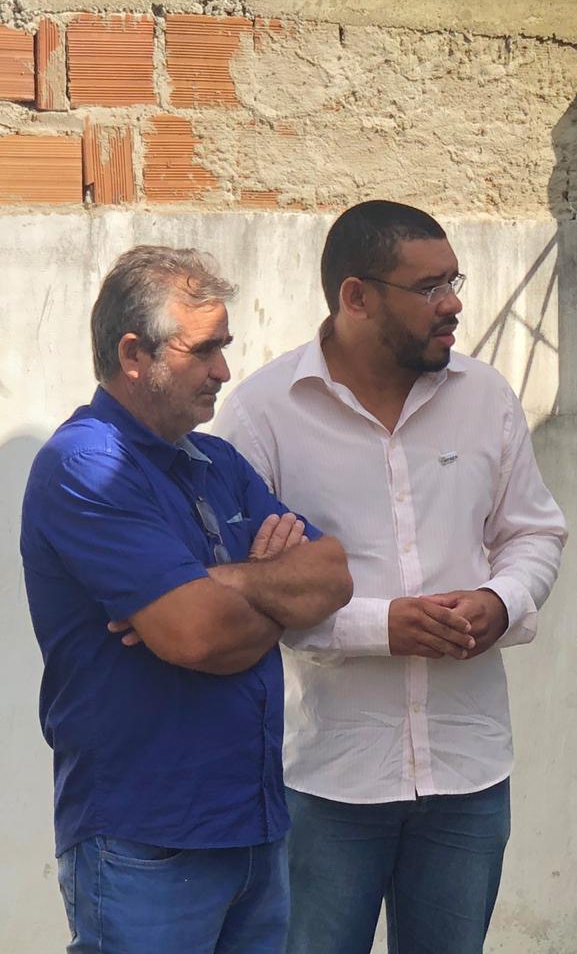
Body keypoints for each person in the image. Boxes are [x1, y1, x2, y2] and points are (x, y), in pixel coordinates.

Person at [214, 200, 567, 954]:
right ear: (357, 297)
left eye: (453, 281)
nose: (453, 304)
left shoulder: (485, 397)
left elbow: (533, 533)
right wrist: (382, 627)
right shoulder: (262, 415)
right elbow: (242, 592)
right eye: (429, 287)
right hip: (326, 775)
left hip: (468, 770)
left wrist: (499, 602)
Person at [20, 246, 353, 954]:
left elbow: (331, 576)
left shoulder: (216, 461)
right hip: (146, 841)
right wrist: (266, 588)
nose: (224, 370)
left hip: (254, 829)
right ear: (133, 355)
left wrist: (226, 580)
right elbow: (198, 634)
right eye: (203, 350)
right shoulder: (86, 466)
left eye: (223, 347)